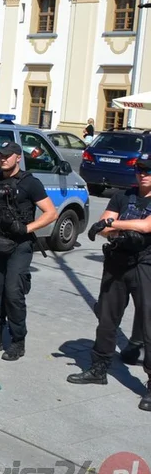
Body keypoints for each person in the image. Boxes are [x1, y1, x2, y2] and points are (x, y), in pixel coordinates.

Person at [68, 154, 151, 410]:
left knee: (149, 325)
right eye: (139, 169)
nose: (143, 174)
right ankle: (98, 369)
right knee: (106, 320)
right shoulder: (123, 196)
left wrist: (115, 223)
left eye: (148, 170)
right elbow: (101, 228)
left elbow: (147, 226)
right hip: (116, 264)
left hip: (145, 265)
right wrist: (117, 226)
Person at [0, 140, 58, 361]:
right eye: (0, 155)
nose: (3, 158)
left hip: (19, 246)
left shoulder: (30, 183)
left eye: (7, 155)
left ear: (18, 157)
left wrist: (26, 228)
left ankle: (17, 341)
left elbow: (51, 213)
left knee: (13, 294)